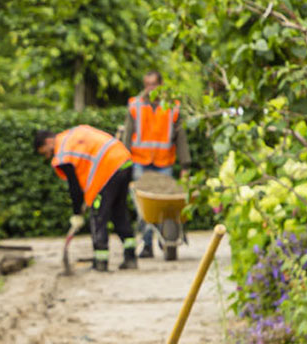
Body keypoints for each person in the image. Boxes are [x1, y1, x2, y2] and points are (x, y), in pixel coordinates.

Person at [34, 125, 137, 272]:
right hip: (123, 161)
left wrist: (77, 213)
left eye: (45, 152)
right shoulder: (70, 137)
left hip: (108, 169)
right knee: (118, 211)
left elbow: (74, 186)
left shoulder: (63, 152)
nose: (47, 156)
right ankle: (131, 257)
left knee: (98, 215)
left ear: (49, 141)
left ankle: (100, 262)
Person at [122, 70, 191, 258]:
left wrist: (185, 166)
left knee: (166, 206)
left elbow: (181, 139)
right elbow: (127, 135)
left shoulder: (173, 108)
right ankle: (146, 245)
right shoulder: (135, 106)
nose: (150, 88)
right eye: (147, 84)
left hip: (164, 163)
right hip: (140, 163)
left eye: (153, 84)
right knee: (145, 208)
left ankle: (166, 238)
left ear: (161, 85)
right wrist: (123, 164)